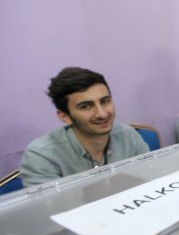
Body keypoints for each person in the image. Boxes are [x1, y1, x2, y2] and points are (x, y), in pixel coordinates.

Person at [20, 67, 149, 186]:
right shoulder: (42, 155)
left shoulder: (128, 135)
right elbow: (51, 208)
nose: (102, 114)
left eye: (105, 101)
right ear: (65, 116)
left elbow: (151, 182)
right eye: (86, 106)